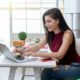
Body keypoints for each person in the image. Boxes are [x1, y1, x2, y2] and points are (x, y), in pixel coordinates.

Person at [14, 8, 80, 80]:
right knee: (47, 71)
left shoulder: (67, 34)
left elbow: (60, 55)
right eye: (45, 22)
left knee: (46, 72)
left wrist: (35, 54)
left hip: (75, 66)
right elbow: (37, 46)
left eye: (49, 21)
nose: (46, 24)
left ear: (57, 21)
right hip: (63, 65)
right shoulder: (50, 34)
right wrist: (22, 51)